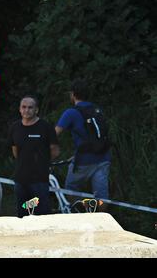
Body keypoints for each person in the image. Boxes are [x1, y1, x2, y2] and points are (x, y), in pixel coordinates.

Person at [55, 79, 111, 211]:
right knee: (102, 197)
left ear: (73, 94)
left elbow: (54, 134)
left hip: (84, 161)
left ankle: (77, 215)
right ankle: (101, 221)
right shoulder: (98, 110)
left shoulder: (71, 113)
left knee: (71, 187)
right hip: (104, 157)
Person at [9, 96, 60, 217]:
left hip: (39, 180)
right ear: (20, 109)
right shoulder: (15, 127)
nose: (26, 110)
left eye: (30, 107)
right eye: (24, 107)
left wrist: (43, 163)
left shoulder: (45, 127)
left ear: (36, 110)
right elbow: (15, 150)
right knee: (23, 213)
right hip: (21, 179)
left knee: (41, 214)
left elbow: (55, 150)